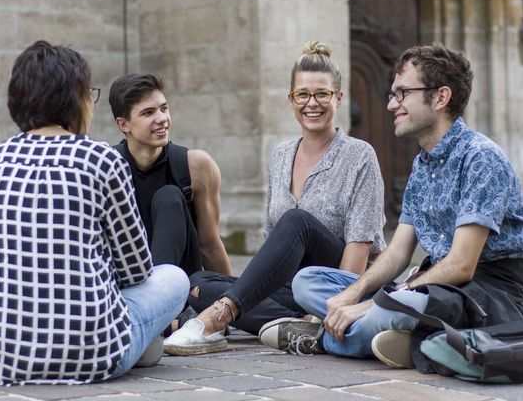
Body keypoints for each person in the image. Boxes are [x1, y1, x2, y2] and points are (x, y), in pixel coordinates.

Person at [259, 44, 523, 372]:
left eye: (402, 93)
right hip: (434, 287)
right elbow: (396, 254)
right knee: (307, 282)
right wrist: (354, 294)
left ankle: (323, 338)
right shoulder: (422, 165)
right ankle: (402, 335)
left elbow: (462, 266)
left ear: (440, 97)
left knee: (392, 306)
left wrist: (373, 305)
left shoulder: (480, 158)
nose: (392, 104)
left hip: (487, 295)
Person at [0, 40, 189, 385]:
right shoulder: (102, 159)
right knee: (174, 277)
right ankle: (139, 346)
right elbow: (137, 271)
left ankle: (1, 342)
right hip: (95, 357)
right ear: (76, 99)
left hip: (3, 362)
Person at [163, 40, 387, 355]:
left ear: (338, 97)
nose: (313, 103)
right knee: (199, 282)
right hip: (293, 291)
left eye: (322, 93)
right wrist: (255, 290)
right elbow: (274, 248)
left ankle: (219, 317)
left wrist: (337, 302)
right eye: (302, 94)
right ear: (290, 100)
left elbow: (359, 252)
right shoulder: (281, 155)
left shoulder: (359, 155)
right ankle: (300, 324)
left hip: (343, 286)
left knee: (298, 222)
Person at [108, 74, 233, 279]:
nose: (162, 119)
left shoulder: (196, 166)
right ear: (124, 125)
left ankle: (159, 295)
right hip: (128, 289)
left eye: (164, 108)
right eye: (148, 112)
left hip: (182, 287)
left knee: (169, 197)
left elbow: (210, 246)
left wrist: (235, 303)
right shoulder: (106, 168)